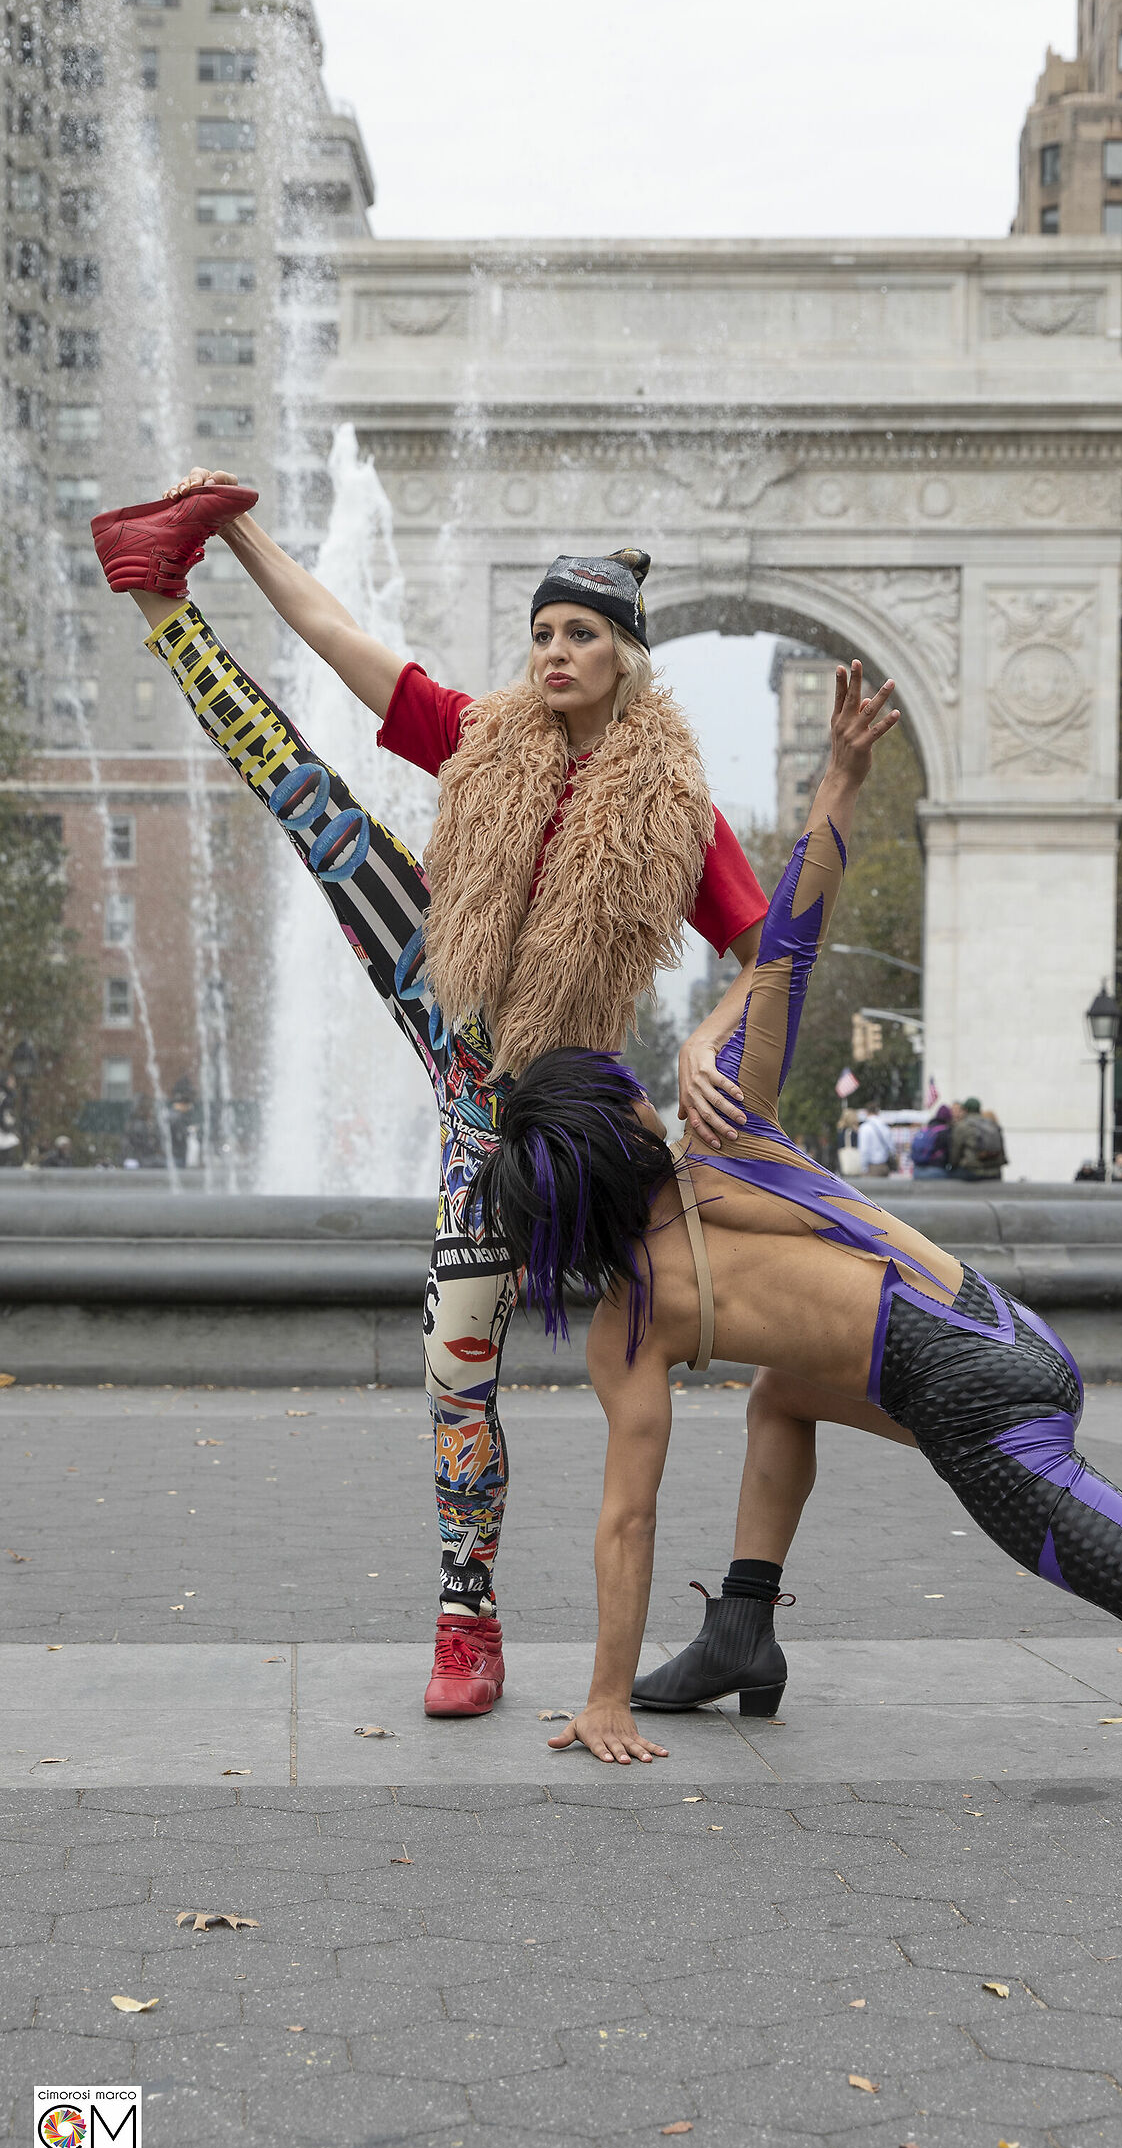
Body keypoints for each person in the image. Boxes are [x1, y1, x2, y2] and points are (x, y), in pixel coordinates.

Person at [471, 663, 1122, 1816]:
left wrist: (605, 1698)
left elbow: (624, 1519)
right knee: (780, 1393)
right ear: (628, 1123)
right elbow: (786, 946)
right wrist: (841, 777)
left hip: (980, 1405)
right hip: (991, 1328)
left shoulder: (634, 1326)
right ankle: (740, 1629)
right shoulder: (726, 1140)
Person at [90, 475, 770, 1719]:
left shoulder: (680, 811)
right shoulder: (478, 732)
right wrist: (238, 534)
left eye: (581, 635)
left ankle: (718, 1613)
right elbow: (343, 636)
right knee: (311, 801)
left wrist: (713, 1034)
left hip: (549, 1101)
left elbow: (770, 953)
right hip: (452, 1015)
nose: (555, 652)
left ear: (626, 656)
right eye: (544, 633)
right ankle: (468, 1619)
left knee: (512, 1350)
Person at [948, 1097, 1005, 1181]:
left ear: (965, 1110)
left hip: (971, 1172)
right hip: (995, 1172)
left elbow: (955, 1154)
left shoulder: (962, 1125)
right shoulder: (992, 1124)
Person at [909, 1103, 953, 1178]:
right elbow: (951, 1155)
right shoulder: (945, 1131)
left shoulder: (926, 1129)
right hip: (935, 1171)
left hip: (917, 1171)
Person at [856, 1103, 895, 1178]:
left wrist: (863, 1168)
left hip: (872, 1167)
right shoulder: (885, 1126)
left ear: (866, 1112)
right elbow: (892, 1148)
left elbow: (864, 1150)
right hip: (885, 1165)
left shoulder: (865, 1127)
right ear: (878, 1112)